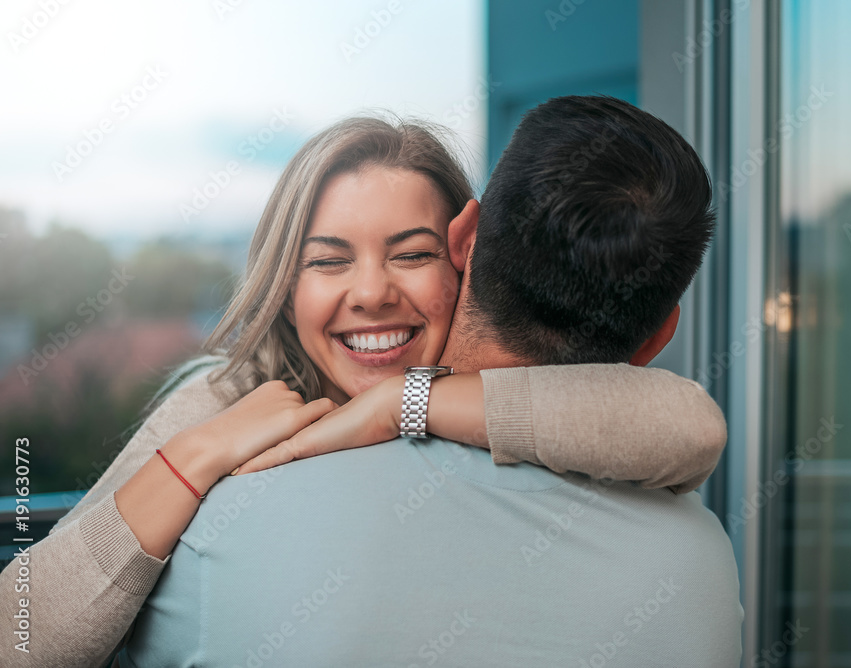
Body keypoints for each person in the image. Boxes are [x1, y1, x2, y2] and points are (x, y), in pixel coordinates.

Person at [0, 109, 728, 667]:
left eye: (411, 254)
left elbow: (688, 426)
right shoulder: (225, 399)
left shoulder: (499, 392)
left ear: (465, 255)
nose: (372, 292)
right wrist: (191, 457)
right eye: (328, 262)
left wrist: (411, 402)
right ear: (285, 288)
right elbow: (18, 634)